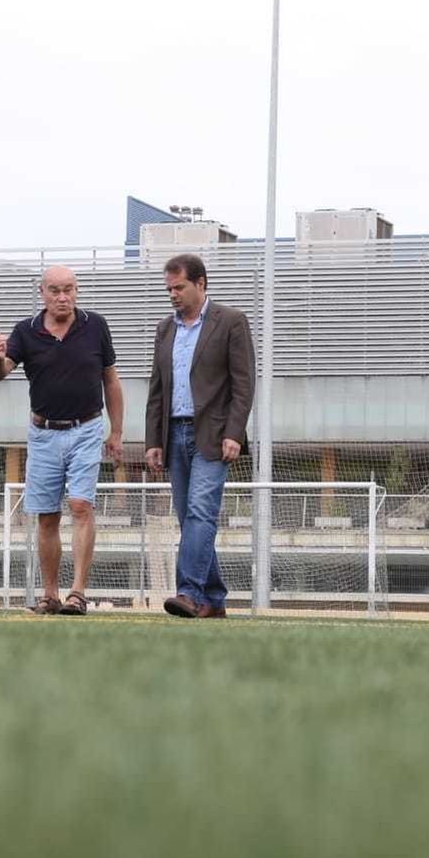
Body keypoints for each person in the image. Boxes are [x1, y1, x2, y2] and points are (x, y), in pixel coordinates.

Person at [0, 265, 123, 615]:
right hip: (43, 433)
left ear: (76, 291)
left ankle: (77, 593)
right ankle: (50, 595)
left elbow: (111, 379)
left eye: (69, 289)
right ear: (42, 293)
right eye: (55, 290)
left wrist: (117, 432)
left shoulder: (96, 325)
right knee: (47, 516)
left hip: (87, 428)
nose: (63, 297)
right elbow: (0, 375)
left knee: (81, 505)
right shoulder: (25, 331)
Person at [144, 253, 255, 619]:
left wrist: (234, 432)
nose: (173, 294)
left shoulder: (232, 322)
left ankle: (188, 593)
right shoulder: (164, 328)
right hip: (173, 435)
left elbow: (243, 383)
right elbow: (157, 388)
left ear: (201, 283)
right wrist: (153, 441)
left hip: (213, 435)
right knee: (188, 517)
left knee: (200, 513)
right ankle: (215, 599)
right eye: (169, 289)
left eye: (179, 287)